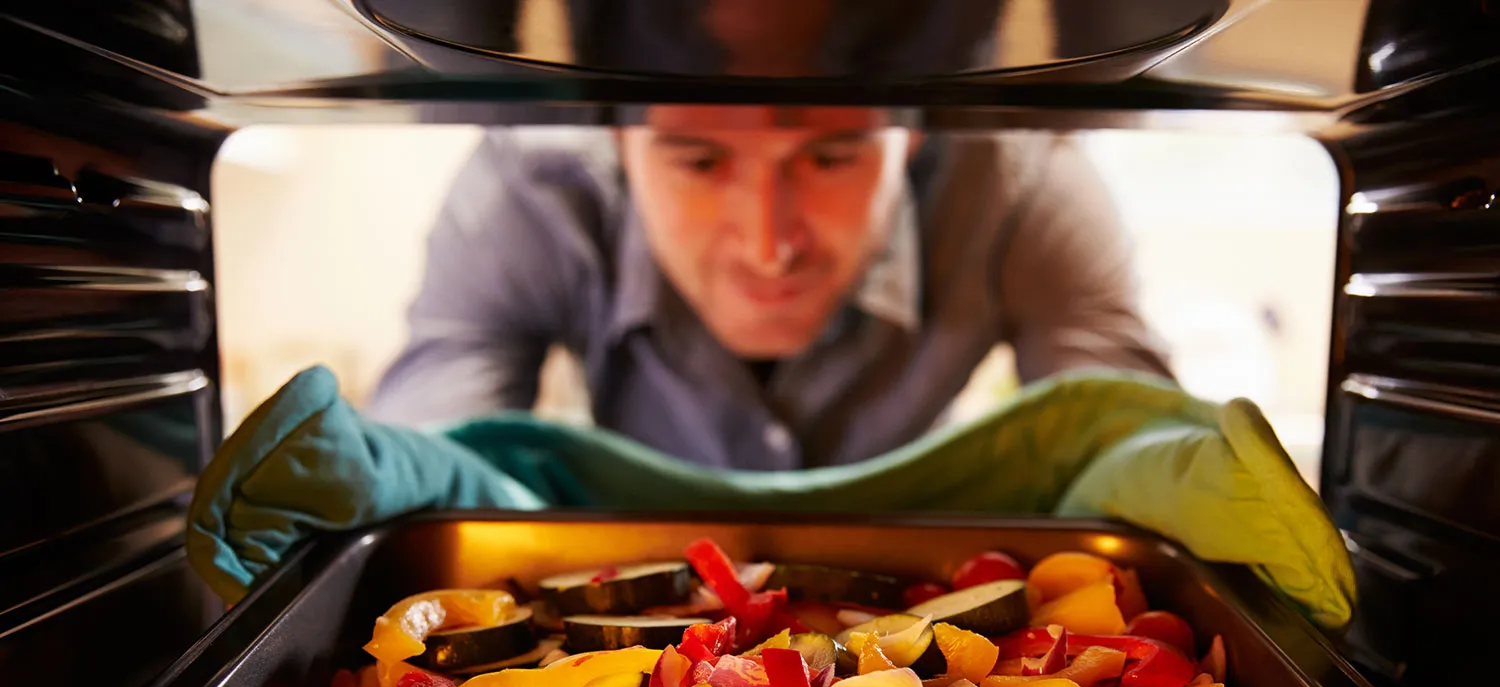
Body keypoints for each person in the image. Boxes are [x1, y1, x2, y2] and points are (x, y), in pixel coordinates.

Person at [368, 106, 1171, 471]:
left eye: (830, 158)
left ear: (911, 133)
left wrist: (1176, 473)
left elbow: (1126, 443)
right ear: (618, 135)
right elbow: (430, 448)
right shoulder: (530, 184)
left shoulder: (1019, 182)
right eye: (699, 162)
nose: (769, 247)